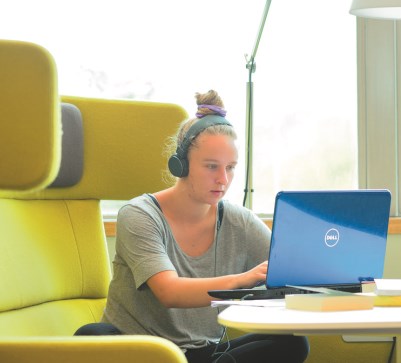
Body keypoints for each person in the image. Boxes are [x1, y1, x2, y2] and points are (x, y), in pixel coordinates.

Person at [75, 90, 309, 363]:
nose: (223, 179)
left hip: (199, 354)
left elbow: (294, 267)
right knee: (92, 335)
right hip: (143, 352)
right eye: (211, 166)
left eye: (231, 167)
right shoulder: (139, 215)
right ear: (181, 165)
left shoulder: (239, 221)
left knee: (292, 344)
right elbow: (169, 291)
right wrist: (243, 280)